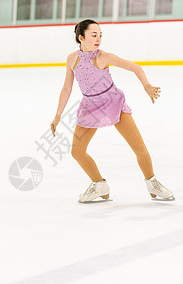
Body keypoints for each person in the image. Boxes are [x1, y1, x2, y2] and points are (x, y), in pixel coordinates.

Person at [50, 19, 175, 203]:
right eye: (94, 35)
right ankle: (99, 184)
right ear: (81, 37)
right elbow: (67, 88)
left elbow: (135, 67)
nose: (98, 38)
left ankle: (152, 182)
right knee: (77, 151)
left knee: (139, 148)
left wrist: (146, 85)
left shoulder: (104, 57)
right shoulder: (72, 59)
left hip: (112, 103)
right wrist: (57, 116)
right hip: (90, 107)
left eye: (100, 35)